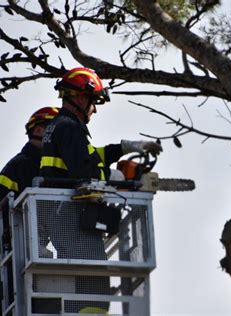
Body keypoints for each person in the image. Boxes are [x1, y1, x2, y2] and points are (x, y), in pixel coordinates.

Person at [39, 67, 162, 313]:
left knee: (82, 282)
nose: (94, 110)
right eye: (93, 103)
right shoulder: (71, 128)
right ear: (81, 97)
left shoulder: (60, 126)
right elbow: (85, 172)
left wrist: (126, 147)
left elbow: (91, 157)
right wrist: (118, 178)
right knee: (95, 285)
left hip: (62, 216)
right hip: (73, 217)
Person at [0, 107, 59, 315]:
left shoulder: (39, 165)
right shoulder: (26, 166)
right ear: (39, 130)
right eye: (53, 131)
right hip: (10, 253)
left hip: (26, 252)